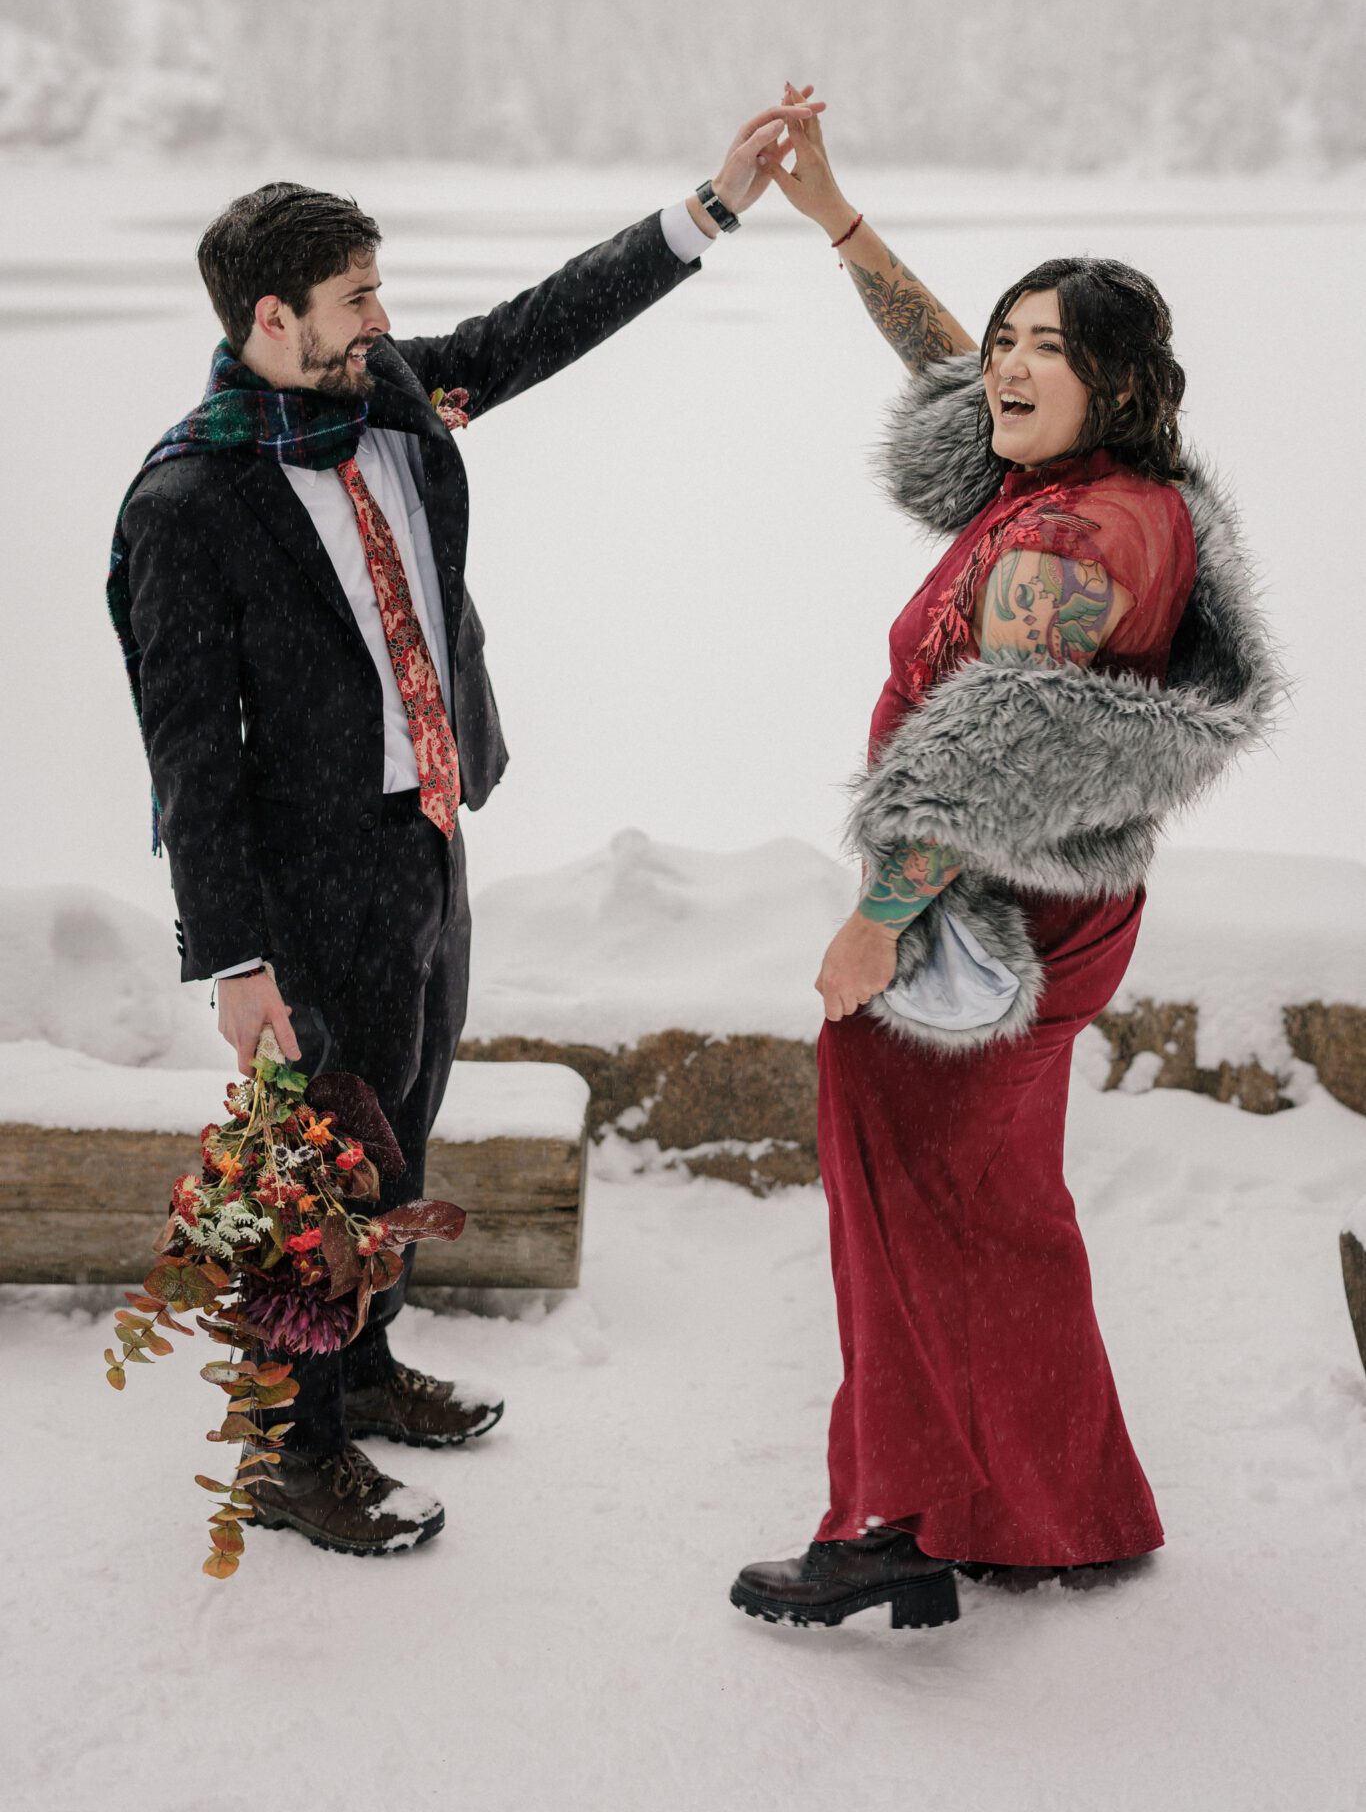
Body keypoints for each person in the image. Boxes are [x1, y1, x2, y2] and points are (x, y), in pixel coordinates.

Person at [107, 100, 822, 1557]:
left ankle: (360, 1373)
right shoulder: (187, 503)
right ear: (270, 315)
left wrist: (717, 200)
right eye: (353, 298)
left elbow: (532, 331)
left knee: (406, 1125)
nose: (383, 317)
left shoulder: (385, 400)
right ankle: (286, 1457)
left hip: (425, 832)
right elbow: (188, 756)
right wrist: (233, 960)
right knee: (313, 1171)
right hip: (302, 881)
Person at [729, 89, 1280, 1633]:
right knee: (997, 1211)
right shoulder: (1113, 495)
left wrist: (875, 922)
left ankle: (887, 1523)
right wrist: (835, 216)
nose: (1008, 364)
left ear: (1114, 380)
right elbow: (938, 370)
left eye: (1048, 346)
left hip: (974, 911)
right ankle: (1050, 1512)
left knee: (902, 1209)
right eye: (1007, 337)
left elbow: (990, 746)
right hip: (1061, 902)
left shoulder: (1066, 543)